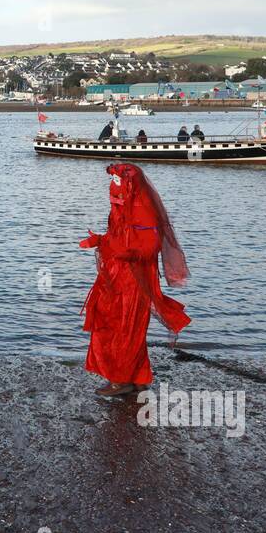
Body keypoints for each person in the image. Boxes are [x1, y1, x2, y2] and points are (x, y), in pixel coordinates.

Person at [78, 164, 190, 397]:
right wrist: (101, 240)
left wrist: (125, 252)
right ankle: (139, 376)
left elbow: (150, 245)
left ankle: (121, 379)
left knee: (125, 326)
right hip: (117, 277)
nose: (115, 202)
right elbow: (119, 234)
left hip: (133, 280)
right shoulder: (125, 207)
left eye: (118, 197)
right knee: (123, 324)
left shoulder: (143, 209)